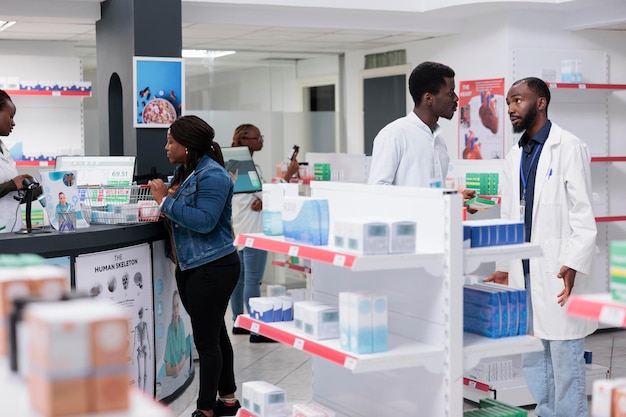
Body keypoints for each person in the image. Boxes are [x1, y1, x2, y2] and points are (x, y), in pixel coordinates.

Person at [485, 77, 597, 417]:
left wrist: (574, 263)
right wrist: (504, 268)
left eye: (517, 100)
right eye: (508, 102)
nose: (510, 108)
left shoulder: (569, 147)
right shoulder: (514, 154)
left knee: (564, 359)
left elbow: (582, 213)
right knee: (535, 356)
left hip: (558, 269)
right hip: (525, 271)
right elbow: (509, 216)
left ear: (541, 102)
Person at [149, 115, 241, 417]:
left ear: (187, 146)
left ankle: (205, 410)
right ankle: (228, 401)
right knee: (216, 335)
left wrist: (165, 202)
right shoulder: (185, 172)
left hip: (213, 266)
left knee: (206, 343)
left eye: (170, 141)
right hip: (193, 266)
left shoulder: (212, 175)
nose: (166, 147)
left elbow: (205, 221)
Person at [367, 62, 475, 205]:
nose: (456, 98)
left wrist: (455, 198)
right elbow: (378, 190)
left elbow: (432, 190)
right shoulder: (394, 134)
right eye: (450, 93)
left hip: (436, 224)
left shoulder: (439, 141)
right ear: (429, 98)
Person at [228, 124, 299, 342]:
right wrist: (288, 174)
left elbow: (258, 195)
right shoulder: (248, 167)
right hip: (253, 232)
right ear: (243, 140)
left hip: (240, 230)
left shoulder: (232, 165)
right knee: (252, 280)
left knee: (239, 280)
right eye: (257, 137)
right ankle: (257, 329)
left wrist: (262, 200)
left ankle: (239, 321)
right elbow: (269, 193)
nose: (261, 140)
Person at [0, 89, 42, 232]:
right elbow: (9, 187)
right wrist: (12, 184)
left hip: (11, 231)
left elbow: (10, 199)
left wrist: (36, 190)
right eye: (10, 116)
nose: (13, 123)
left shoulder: (3, 148)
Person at [164, 290, 186, 378]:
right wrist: (174, 370)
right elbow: (167, 367)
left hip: (182, 370)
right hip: (173, 375)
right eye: (173, 307)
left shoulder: (182, 324)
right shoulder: (169, 329)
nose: (176, 310)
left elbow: (184, 354)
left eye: (177, 306)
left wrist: (179, 366)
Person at [133, 306, 152, 391]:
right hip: (139, 351)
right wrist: (133, 355)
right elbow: (134, 342)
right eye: (139, 314)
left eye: (141, 314)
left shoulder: (145, 325)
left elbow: (147, 337)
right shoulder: (136, 327)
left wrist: (150, 350)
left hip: (144, 350)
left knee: (144, 375)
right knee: (139, 376)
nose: (140, 315)